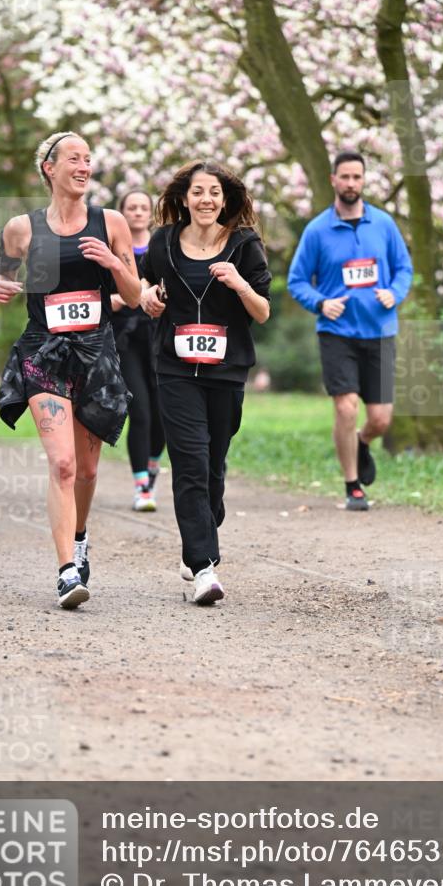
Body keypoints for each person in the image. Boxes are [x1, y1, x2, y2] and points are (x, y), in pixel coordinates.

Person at [0, 132, 141, 608]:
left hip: (96, 354)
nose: (84, 167)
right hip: (44, 353)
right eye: (74, 159)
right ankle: (66, 572)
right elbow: (2, 276)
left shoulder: (110, 222)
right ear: (49, 168)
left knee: (88, 470)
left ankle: (79, 537)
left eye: (88, 159)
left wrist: (113, 263)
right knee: (63, 464)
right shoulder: (21, 228)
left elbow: (134, 295)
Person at [140, 160, 271, 605]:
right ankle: (202, 568)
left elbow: (262, 311)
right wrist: (148, 295)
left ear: (225, 198)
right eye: (197, 191)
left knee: (213, 465)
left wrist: (239, 285)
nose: (206, 200)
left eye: (214, 192)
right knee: (190, 463)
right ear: (184, 198)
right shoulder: (163, 242)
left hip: (226, 370)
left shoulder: (244, 245)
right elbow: (146, 281)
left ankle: (204, 525)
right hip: (175, 368)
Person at [287, 151, 412, 511]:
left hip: (380, 331)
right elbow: (297, 280)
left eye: (357, 177)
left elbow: (404, 269)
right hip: (337, 332)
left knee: (381, 420)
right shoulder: (317, 230)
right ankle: (352, 485)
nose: (351, 183)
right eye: (345, 176)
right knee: (346, 407)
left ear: (364, 180)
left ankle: (361, 441)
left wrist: (395, 293)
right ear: (334, 180)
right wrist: (321, 303)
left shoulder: (383, 224)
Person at [113, 189, 165, 511]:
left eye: (143, 207)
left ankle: (153, 464)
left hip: (160, 339)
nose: (137, 212)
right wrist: (119, 300)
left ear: (151, 213)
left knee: (162, 415)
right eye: (131, 207)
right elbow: (98, 295)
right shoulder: (111, 248)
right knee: (141, 411)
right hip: (125, 340)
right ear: (121, 212)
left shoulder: (162, 246)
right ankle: (142, 487)